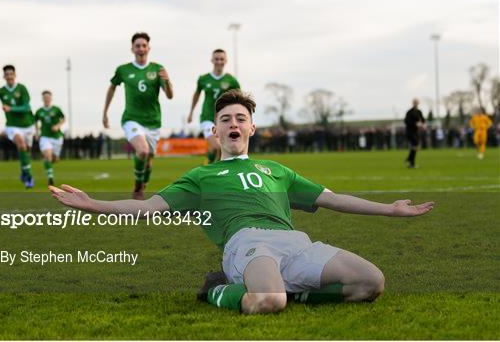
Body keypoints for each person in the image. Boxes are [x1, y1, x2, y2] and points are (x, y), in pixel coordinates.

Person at [50, 90, 434, 315]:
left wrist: (391, 209)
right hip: (248, 243)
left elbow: (333, 200)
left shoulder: (276, 170)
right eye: (225, 119)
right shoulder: (201, 177)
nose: (233, 123)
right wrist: (93, 204)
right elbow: (149, 207)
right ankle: (217, 288)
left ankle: (296, 290)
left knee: (370, 283)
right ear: (215, 131)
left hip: (295, 243)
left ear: (251, 127)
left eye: (240, 117)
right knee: (268, 300)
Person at [102, 32, 173, 199]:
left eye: (143, 45)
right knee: (142, 151)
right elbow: (112, 88)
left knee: (148, 160)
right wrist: (105, 112)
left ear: (148, 48)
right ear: (132, 49)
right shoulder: (123, 70)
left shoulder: (157, 69)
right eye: (137, 46)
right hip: (131, 119)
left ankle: (143, 181)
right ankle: (138, 187)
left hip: (153, 122)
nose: (141, 48)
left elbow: (169, 95)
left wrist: (168, 80)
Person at [187, 49, 240, 164]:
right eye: (216, 59)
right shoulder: (204, 79)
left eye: (221, 59)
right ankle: (210, 169)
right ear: (212, 60)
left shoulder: (231, 81)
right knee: (217, 146)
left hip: (224, 119)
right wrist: (191, 112)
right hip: (207, 117)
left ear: (225, 61)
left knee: (219, 149)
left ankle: (210, 167)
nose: (219, 61)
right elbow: (196, 95)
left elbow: (239, 99)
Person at [0, 65, 35, 188]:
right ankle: (29, 177)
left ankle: (24, 170)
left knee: (26, 152)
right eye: (7, 74)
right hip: (13, 126)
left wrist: (11, 108)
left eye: (11, 74)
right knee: (21, 144)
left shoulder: (22, 88)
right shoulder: (1, 91)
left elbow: (27, 107)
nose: (9, 76)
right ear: (4, 76)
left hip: (28, 125)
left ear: (15, 75)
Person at [34, 90, 66, 186]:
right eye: (45, 97)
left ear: (51, 98)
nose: (46, 99)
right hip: (45, 137)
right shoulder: (39, 111)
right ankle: (50, 177)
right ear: (42, 99)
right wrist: (37, 133)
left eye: (48, 97)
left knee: (54, 159)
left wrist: (58, 126)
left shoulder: (56, 109)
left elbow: (63, 119)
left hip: (57, 137)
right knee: (47, 156)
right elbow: (35, 122)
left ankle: (54, 158)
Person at [404, 98, 426, 168]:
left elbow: (423, 119)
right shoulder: (409, 112)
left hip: (416, 131)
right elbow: (406, 122)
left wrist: (424, 124)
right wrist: (415, 124)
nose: (416, 103)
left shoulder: (419, 111)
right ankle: (411, 163)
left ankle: (409, 159)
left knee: (416, 146)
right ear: (413, 103)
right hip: (410, 131)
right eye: (414, 102)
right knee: (415, 145)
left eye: (417, 102)